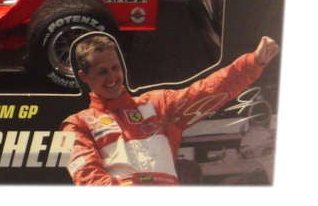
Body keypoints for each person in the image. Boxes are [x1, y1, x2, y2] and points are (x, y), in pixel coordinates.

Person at [61, 33, 280, 185]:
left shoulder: (157, 104)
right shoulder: (76, 125)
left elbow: (207, 91)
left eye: (115, 68)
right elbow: (87, 178)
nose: (112, 77)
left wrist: (253, 63)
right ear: (84, 77)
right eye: (102, 72)